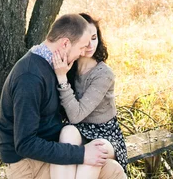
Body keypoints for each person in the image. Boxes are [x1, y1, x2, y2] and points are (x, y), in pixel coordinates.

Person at [0, 13, 126, 179]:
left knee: (113, 170)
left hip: (50, 151)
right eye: (81, 48)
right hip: (28, 164)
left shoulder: (54, 66)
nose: (82, 53)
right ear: (65, 43)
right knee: (103, 169)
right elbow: (25, 144)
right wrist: (81, 154)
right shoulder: (30, 77)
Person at [51, 13, 128, 179]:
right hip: (79, 129)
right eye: (85, 39)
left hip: (105, 134)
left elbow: (76, 115)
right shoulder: (68, 66)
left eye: (94, 38)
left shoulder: (103, 74)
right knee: (67, 132)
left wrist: (62, 79)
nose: (90, 44)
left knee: (94, 152)